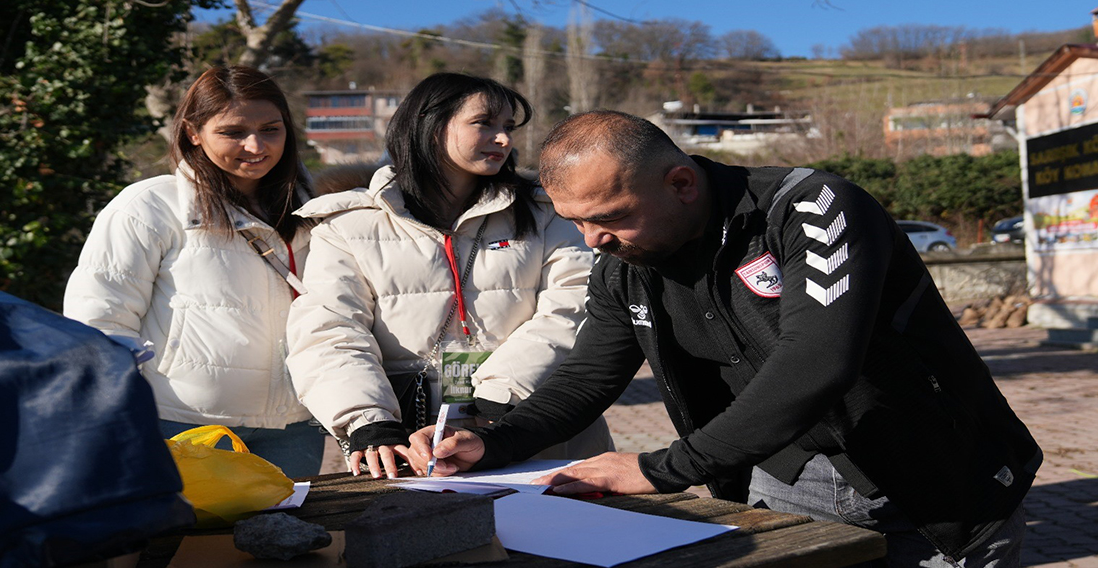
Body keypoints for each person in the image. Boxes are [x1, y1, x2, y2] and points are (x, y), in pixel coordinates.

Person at [410, 110, 1042, 567]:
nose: (592, 242)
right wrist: (492, 446)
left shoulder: (815, 208)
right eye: (576, 224)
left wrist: (663, 470)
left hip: (934, 480)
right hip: (780, 485)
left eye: (608, 218)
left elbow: (817, 362)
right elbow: (587, 377)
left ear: (681, 184)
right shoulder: (623, 263)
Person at [286, 73, 614, 480]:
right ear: (430, 123)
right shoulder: (347, 224)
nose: (503, 140)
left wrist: (495, 402)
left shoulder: (548, 212)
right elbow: (329, 329)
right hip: (413, 446)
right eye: (484, 123)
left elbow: (573, 310)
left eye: (508, 127)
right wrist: (368, 422)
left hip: (535, 430)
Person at [63, 66, 324, 478]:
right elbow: (99, 319)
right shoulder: (149, 206)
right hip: (182, 426)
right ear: (193, 132)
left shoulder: (316, 211)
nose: (255, 145)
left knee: (290, 538)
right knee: (182, 543)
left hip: (295, 426)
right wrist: (117, 413)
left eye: (271, 129)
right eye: (233, 132)